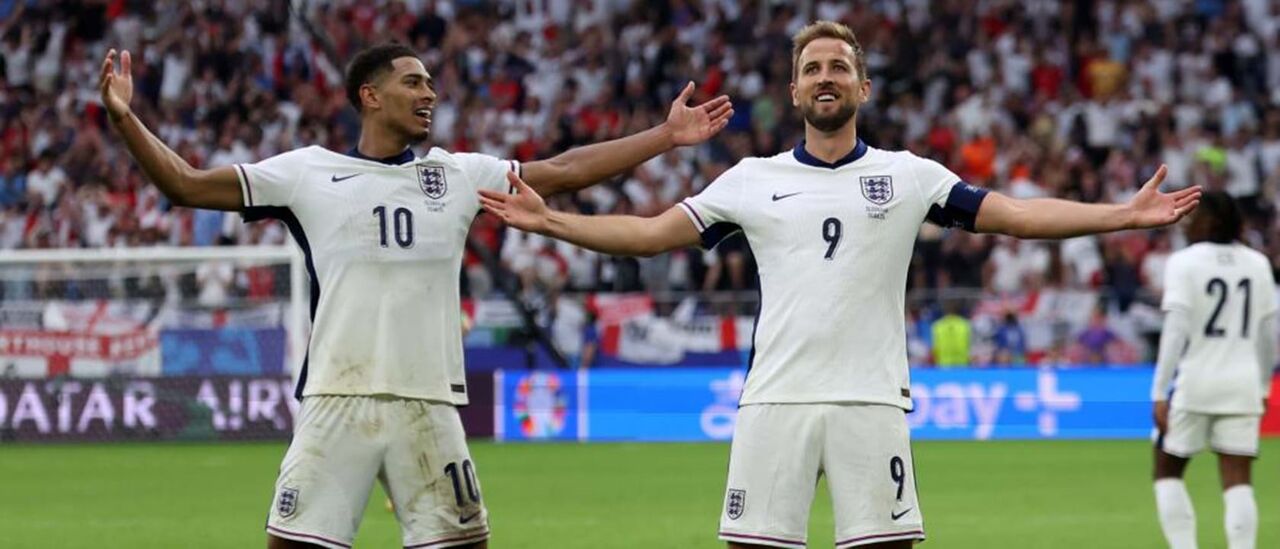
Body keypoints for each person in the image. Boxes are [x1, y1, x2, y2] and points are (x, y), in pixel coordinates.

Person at [479, 20, 1201, 549]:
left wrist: (1120, 215)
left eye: (839, 66)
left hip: (870, 402)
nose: (825, 77)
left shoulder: (910, 174)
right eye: (813, 68)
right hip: (775, 402)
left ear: (863, 86)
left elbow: (1015, 215)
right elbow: (646, 233)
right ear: (794, 90)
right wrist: (550, 221)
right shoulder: (751, 178)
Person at [99, 42, 732, 549]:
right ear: (369, 96)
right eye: (413, 82)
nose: (429, 93)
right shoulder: (305, 172)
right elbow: (184, 184)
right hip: (337, 399)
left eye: (430, 83)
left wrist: (663, 136)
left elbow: (563, 170)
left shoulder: (457, 174)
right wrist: (126, 119)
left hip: (430, 403)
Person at [1150, 191, 1277, 549]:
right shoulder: (1258, 264)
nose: (1186, 224)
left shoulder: (1184, 262)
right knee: (1238, 479)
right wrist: (1264, 387)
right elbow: (1268, 336)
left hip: (1197, 381)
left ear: (1208, 221)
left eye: (1192, 217)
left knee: (1167, 469)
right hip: (1243, 383)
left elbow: (1175, 331)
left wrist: (1159, 391)